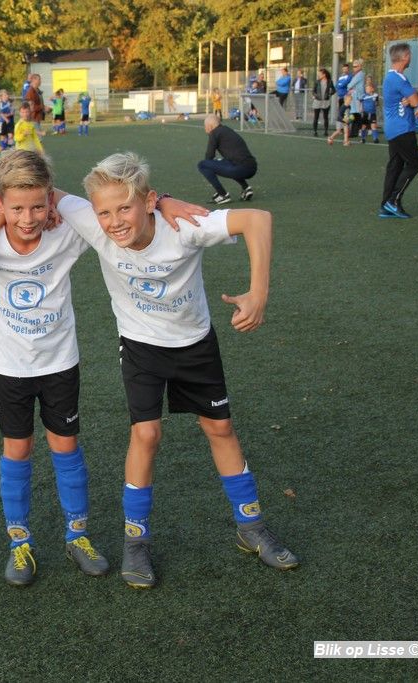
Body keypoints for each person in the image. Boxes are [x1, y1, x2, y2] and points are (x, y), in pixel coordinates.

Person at [49, 151, 297, 588]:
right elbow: (38, 190)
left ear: (146, 202)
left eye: (124, 208)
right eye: (104, 212)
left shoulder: (183, 226)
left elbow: (257, 218)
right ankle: (135, 541)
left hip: (195, 344)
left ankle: (251, 526)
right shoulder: (93, 220)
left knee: (219, 428)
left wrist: (258, 292)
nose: (113, 221)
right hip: (141, 346)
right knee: (146, 434)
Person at [0, 149, 110, 585]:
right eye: (16, 208)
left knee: (66, 447)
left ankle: (78, 536)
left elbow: (109, 204)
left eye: (38, 206)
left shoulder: (68, 229)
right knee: (17, 449)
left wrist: (53, 203)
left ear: (51, 200)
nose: (28, 218)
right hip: (9, 366)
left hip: (60, 361)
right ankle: (19, 543)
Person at [380, 43, 418, 219]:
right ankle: (393, 200)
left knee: (395, 167)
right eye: (409, 54)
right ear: (404, 57)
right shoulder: (399, 78)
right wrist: (414, 96)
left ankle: (385, 206)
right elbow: (416, 101)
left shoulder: (391, 78)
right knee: (414, 164)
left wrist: (412, 97)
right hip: (402, 128)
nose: (410, 57)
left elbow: (413, 99)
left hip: (393, 129)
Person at [197, 114, 256, 204]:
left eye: (205, 126)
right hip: (251, 167)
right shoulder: (227, 130)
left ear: (210, 126)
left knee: (202, 165)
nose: (205, 129)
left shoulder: (214, 133)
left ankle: (223, 194)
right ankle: (246, 188)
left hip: (240, 169)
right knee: (226, 162)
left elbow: (209, 156)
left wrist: (211, 165)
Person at [312, 68, 333, 137]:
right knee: (316, 117)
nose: (318, 75)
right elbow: (313, 91)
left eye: (320, 74)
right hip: (317, 101)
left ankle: (326, 131)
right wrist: (315, 96)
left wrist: (330, 94)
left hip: (326, 102)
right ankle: (315, 131)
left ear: (324, 75)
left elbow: (334, 90)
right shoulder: (317, 82)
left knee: (325, 117)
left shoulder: (330, 82)